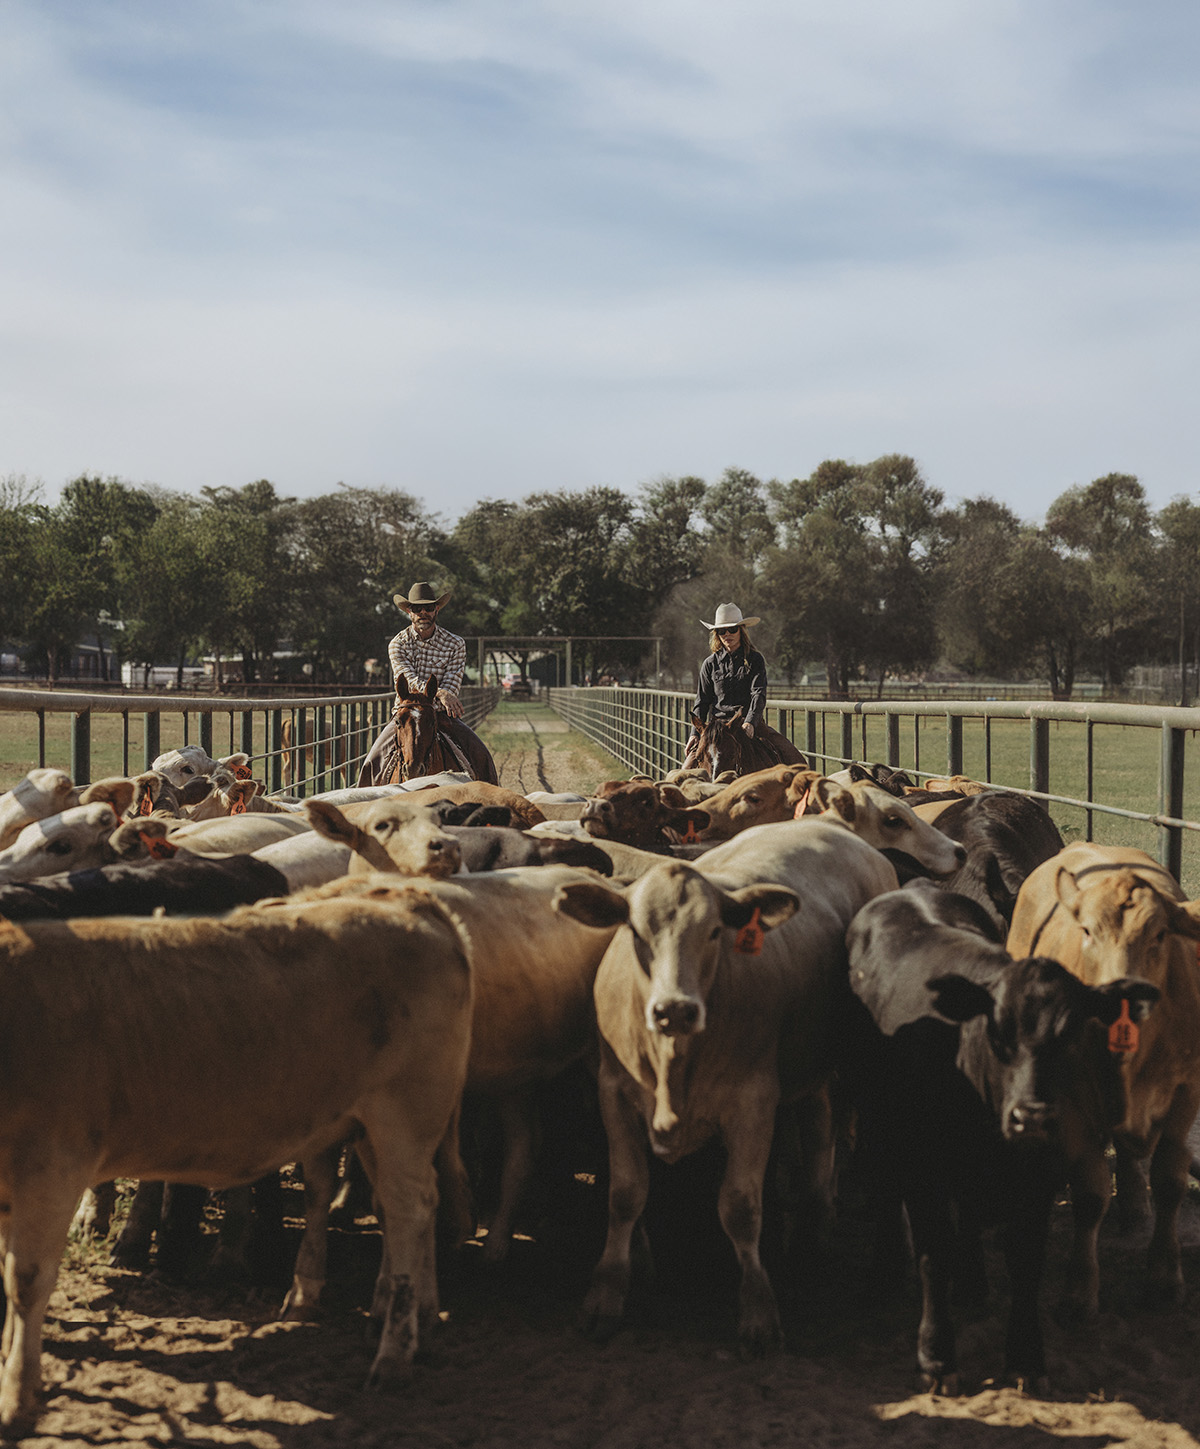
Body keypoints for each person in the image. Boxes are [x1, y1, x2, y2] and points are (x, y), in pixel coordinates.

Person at [357, 581, 499, 785]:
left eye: (428, 607)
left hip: (439, 713)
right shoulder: (398, 643)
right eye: (417, 608)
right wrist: (440, 693)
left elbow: (452, 685)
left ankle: (493, 797)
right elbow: (408, 680)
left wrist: (444, 694)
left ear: (436, 609)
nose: (423, 613)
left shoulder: (455, 644)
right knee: (372, 762)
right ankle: (364, 801)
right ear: (409, 612)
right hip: (406, 714)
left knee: (481, 755)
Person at [683, 602, 806, 769]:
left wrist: (750, 722)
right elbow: (702, 701)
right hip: (717, 728)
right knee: (685, 772)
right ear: (717, 634)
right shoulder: (709, 664)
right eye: (722, 631)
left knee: (795, 760)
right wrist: (695, 733)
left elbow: (758, 694)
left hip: (748, 724)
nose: (727, 634)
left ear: (741, 630)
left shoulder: (755, 659)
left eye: (732, 629)